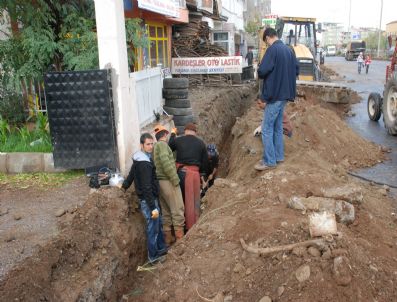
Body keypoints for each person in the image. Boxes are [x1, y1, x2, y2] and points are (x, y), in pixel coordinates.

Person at [256, 27, 299, 171]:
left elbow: (262, 71)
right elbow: (297, 70)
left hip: (275, 95)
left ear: (268, 37)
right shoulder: (289, 50)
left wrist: (259, 68)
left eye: (266, 41)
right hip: (285, 95)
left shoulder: (272, 50)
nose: (267, 44)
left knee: (267, 128)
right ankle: (279, 156)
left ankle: (269, 161)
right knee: (278, 126)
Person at [121, 133, 167, 264]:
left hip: (150, 200)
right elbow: (147, 187)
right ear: (142, 145)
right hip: (148, 201)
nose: (151, 146)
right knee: (153, 228)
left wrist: (124, 186)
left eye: (152, 144)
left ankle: (161, 249)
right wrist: (153, 207)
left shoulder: (140, 158)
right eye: (148, 144)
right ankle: (153, 257)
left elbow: (131, 175)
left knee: (157, 225)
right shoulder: (145, 163)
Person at [169, 123, 208, 230]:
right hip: (194, 175)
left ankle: (178, 227)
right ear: (195, 132)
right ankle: (191, 225)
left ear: (185, 131)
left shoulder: (178, 140)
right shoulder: (201, 143)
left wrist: (173, 134)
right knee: (193, 200)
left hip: (180, 174)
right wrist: (203, 176)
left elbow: (169, 146)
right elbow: (205, 163)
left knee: (180, 200)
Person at [153, 125, 185, 246]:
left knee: (166, 211)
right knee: (177, 208)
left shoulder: (156, 147)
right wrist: (174, 178)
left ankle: (168, 239)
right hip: (168, 181)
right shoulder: (162, 145)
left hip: (160, 182)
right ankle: (180, 240)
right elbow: (166, 162)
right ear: (165, 135)